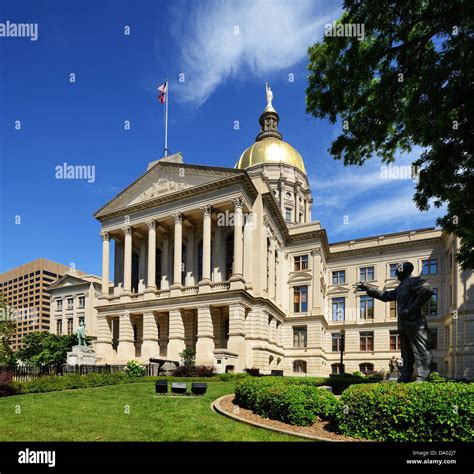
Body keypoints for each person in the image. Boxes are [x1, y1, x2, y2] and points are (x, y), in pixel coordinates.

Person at [356, 262, 433, 382]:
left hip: (415, 322)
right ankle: (406, 374)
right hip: (403, 324)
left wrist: (411, 309)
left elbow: (427, 290)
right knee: (406, 351)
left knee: (421, 349)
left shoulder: (414, 281)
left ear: (402, 272)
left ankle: (422, 376)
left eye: (397, 273)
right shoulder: (400, 287)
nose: (396, 275)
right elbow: (385, 296)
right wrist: (368, 288)